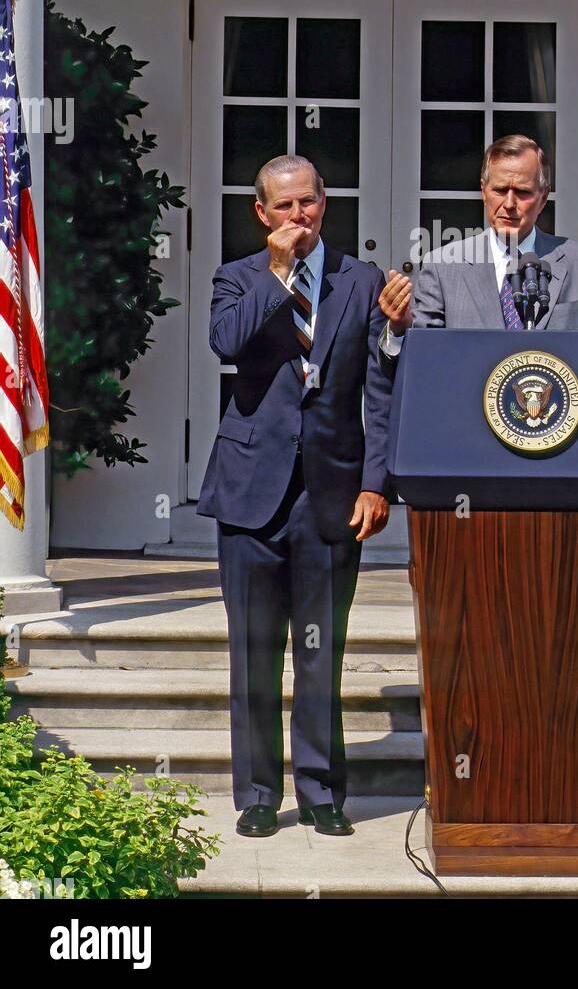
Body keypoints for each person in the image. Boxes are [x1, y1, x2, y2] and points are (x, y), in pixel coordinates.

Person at [197, 155, 393, 839]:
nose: (297, 217)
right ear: (262, 213)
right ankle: (256, 793)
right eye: (283, 207)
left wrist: (377, 481)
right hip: (250, 492)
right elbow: (227, 342)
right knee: (255, 651)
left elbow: (382, 389)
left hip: (331, 495)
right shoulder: (237, 278)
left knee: (320, 651)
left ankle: (320, 790)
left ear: (324, 203)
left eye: (307, 203)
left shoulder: (360, 281)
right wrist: (278, 275)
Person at [378, 134, 578, 349]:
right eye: (500, 190)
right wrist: (400, 326)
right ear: (484, 191)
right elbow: (422, 360)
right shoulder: (443, 264)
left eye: (523, 192)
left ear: (543, 198)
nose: (509, 204)